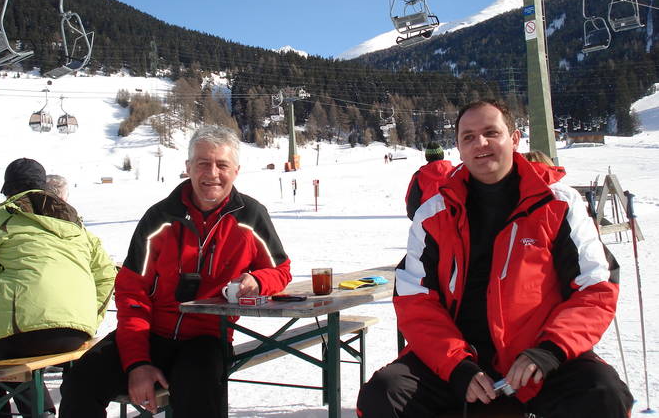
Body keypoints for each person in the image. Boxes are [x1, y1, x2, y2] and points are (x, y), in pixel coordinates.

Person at [357, 100, 633, 418]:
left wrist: (549, 351)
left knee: (603, 393)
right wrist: (456, 366)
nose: (481, 144)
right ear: (458, 148)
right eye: (468, 137)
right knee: (384, 395)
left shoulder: (557, 203)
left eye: (491, 132)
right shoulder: (434, 213)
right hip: (459, 362)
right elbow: (416, 300)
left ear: (514, 139)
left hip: (541, 360)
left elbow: (594, 287)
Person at [60, 124, 292, 418]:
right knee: (81, 380)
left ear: (236, 170)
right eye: (202, 163)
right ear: (188, 167)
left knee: (198, 390)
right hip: (151, 333)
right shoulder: (160, 218)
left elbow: (280, 270)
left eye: (222, 164)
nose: (212, 173)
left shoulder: (251, 216)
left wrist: (258, 280)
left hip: (208, 337)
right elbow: (132, 292)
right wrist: (137, 363)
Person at [0, 158, 116, 418]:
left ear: (9, 189)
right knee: (10, 340)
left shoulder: (4, 215)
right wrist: (90, 316)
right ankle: (40, 412)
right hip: (76, 333)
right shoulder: (76, 224)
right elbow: (106, 274)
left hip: (24, 333)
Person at [404, 142, 454, 220]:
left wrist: (417, 220)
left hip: (429, 223)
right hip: (454, 221)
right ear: (442, 155)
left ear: (427, 157)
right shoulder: (455, 171)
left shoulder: (419, 176)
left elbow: (411, 203)